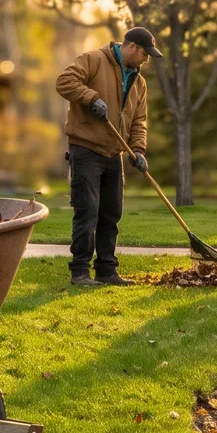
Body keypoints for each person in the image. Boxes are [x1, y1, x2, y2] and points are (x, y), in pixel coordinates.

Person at [55, 28, 158, 286]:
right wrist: (91, 98)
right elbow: (64, 82)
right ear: (131, 46)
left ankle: (106, 271)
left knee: (111, 214)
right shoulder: (93, 60)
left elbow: (139, 121)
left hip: (114, 153)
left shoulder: (139, 83)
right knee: (87, 212)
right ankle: (80, 272)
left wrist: (138, 150)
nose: (146, 59)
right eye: (145, 53)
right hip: (86, 149)